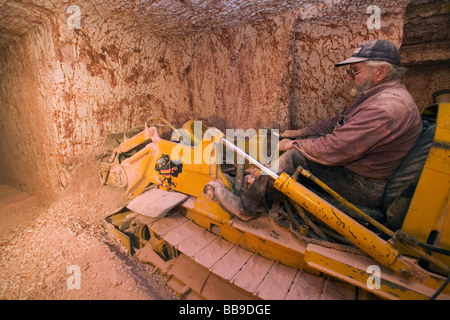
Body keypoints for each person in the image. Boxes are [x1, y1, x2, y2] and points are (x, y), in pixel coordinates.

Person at [215, 39, 423, 222]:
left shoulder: (385, 108)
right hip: (365, 169)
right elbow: (336, 122)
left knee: (295, 158)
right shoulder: (377, 96)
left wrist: (290, 145)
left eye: (355, 71)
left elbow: (333, 148)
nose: (349, 77)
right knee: (310, 142)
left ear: (381, 72)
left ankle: (246, 207)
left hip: (366, 185)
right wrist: (298, 133)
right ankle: (268, 183)